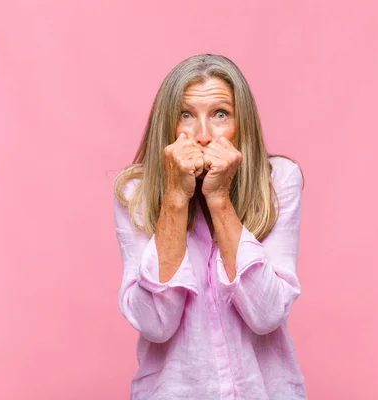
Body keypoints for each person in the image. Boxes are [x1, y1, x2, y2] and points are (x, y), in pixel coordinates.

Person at [113, 54, 307, 399]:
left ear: (241, 123)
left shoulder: (278, 182)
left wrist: (219, 199)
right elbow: (156, 324)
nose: (202, 135)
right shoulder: (135, 193)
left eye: (220, 114)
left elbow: (266, 315)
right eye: (185, 115)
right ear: (167, 124)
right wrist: (174, 198)